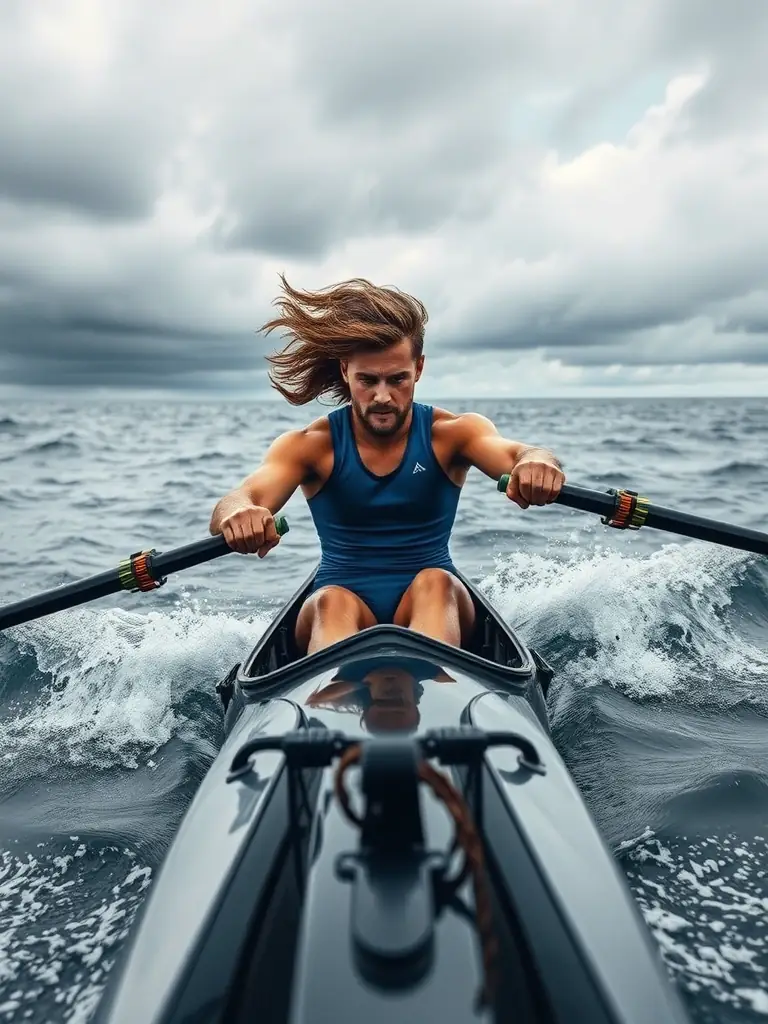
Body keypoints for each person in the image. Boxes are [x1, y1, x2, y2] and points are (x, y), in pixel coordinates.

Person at [209, 275, 565, 654]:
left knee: (436, 584)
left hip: (437, 601)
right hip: (339, 606)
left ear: (420, 369)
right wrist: (241, 513)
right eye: (368, 380)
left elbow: (520, 454)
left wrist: (537, 463)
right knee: (332, 602)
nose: (382, 396)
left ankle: (431, 685)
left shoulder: (453, 434)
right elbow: (240, 499)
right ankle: (334, 695)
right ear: (345, 369)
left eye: (398, 379)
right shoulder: (310, 447)